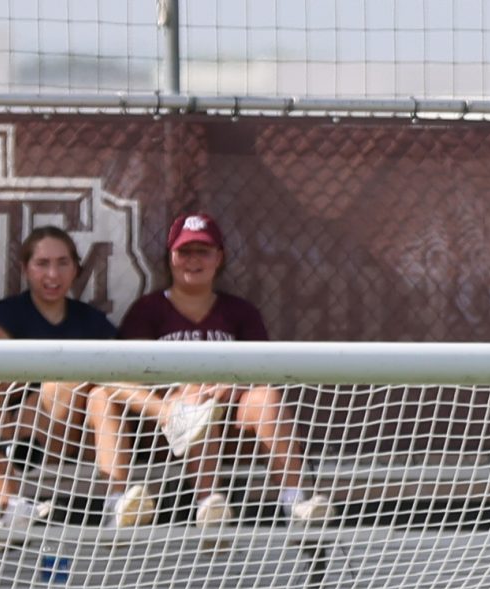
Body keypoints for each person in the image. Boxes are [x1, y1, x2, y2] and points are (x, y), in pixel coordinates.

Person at [88, 212, 327, 530]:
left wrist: (229, 387)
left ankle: (294, 501)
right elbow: (121, 374)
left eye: (203, 251)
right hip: (160, 429)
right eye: (185, 251)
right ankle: (201, 502)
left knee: (266, 397)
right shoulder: (148, 310)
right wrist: (169, 404)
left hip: (229, 422)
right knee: (185, 392)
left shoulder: (239, 311)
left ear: (219, 258)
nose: (193, 260)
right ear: (170, 258)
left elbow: (261, 370)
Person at [0, 224, 116, 526]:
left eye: (62, 263)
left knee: (88, 391)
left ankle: (117, 503)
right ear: (25, 268)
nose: (53, 275)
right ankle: (10, 504)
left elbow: (117, 376)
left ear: (76, 268)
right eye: (42, 263)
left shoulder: (92, 322)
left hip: (62, 438)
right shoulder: (6, 314)